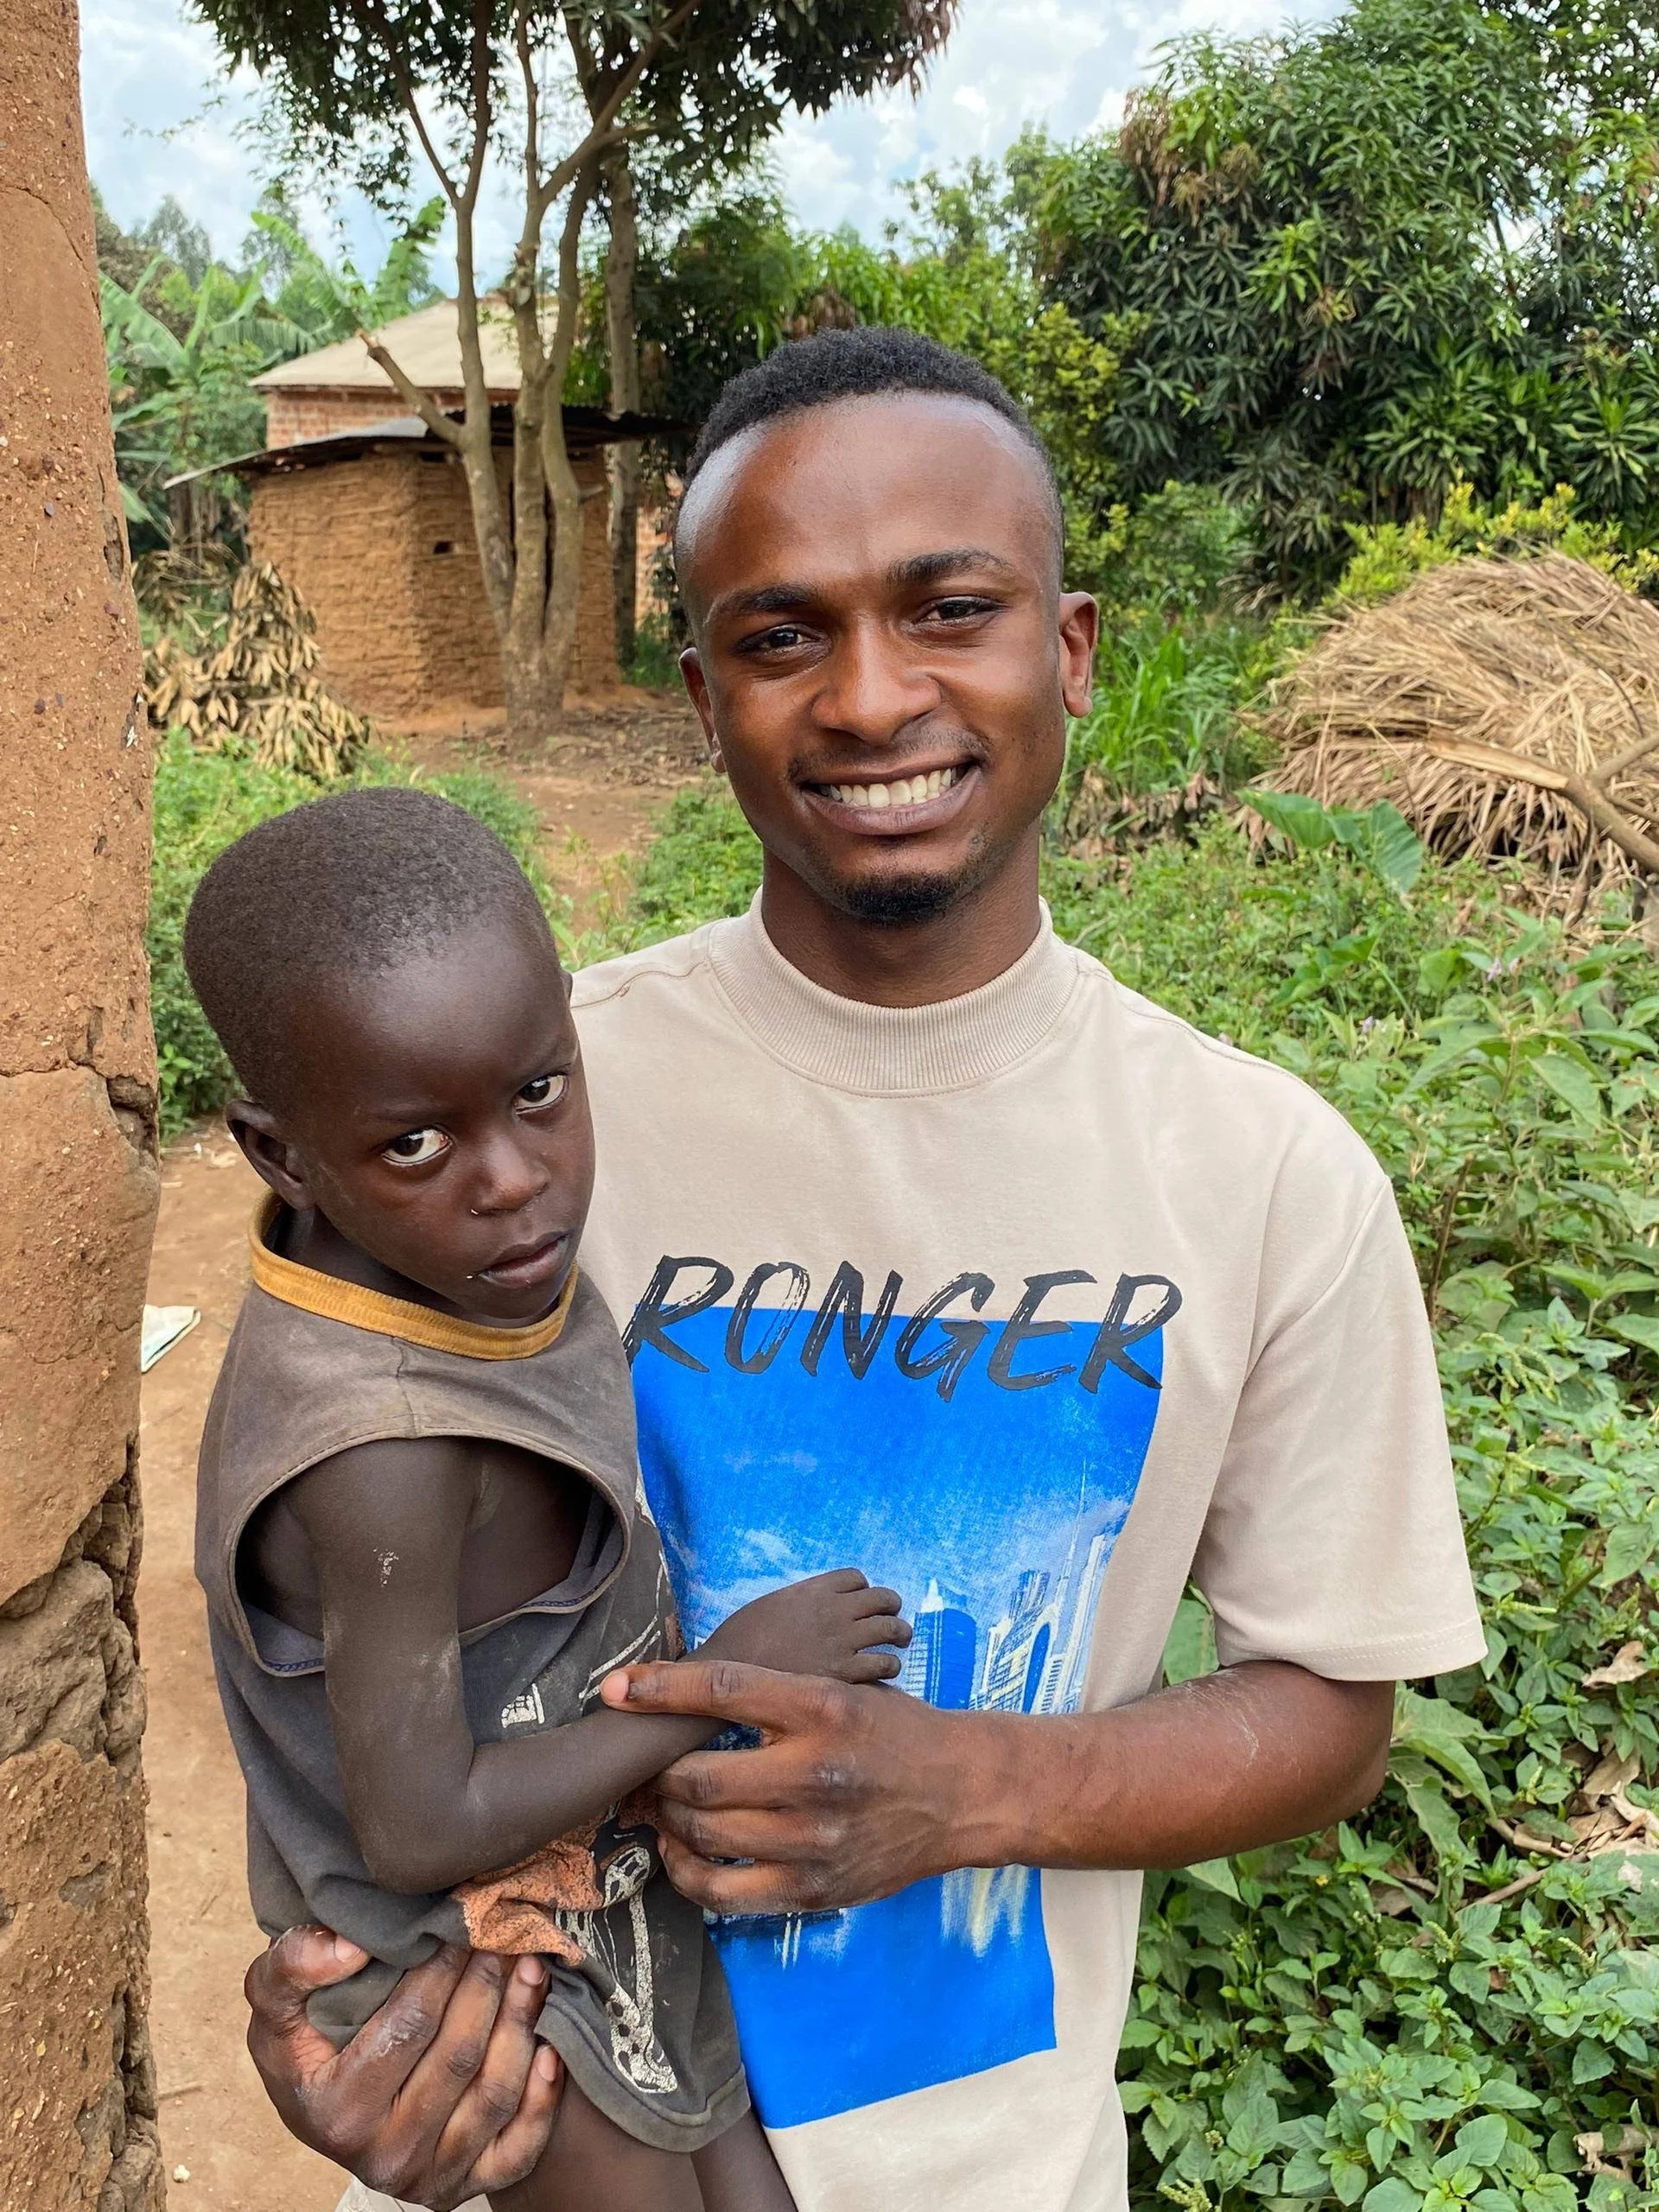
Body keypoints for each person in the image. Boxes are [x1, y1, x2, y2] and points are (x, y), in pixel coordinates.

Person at [242, 328, 1485, 2212]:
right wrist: (346, 2012)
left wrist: (969, 1787)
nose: (870, 696)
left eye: (949, 608)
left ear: (1067, 652)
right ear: (701, 695)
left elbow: (1331, 1703)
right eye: (781, 634)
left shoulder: (1263, 1175)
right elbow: (317, 1575)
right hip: (534, 2146)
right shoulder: (518, 1104)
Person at [183, 787, 915, 2211]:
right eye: (416, 1146)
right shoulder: (380, 1456)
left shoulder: (456, 1274)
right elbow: (417, 1826)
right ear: (281, 1154)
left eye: (538, 1092)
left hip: (589, 1894)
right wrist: (718, 1685)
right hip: (465, 1981)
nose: (515, 1184)